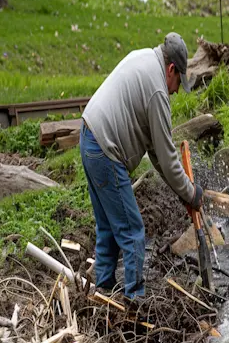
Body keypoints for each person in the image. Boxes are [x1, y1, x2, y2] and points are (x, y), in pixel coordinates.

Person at [80, 33, 203, 300]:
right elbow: (169, 160)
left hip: (89, 137)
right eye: (178, 82)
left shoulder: (144, 56)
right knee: (133, 231)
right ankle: (135, 301)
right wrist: (192, 194)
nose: (176, 90)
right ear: (171, 69)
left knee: (108, 227)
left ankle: (103, 291)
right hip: (105, 150)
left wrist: (182, 190)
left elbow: (158, 154)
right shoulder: (158, 90)